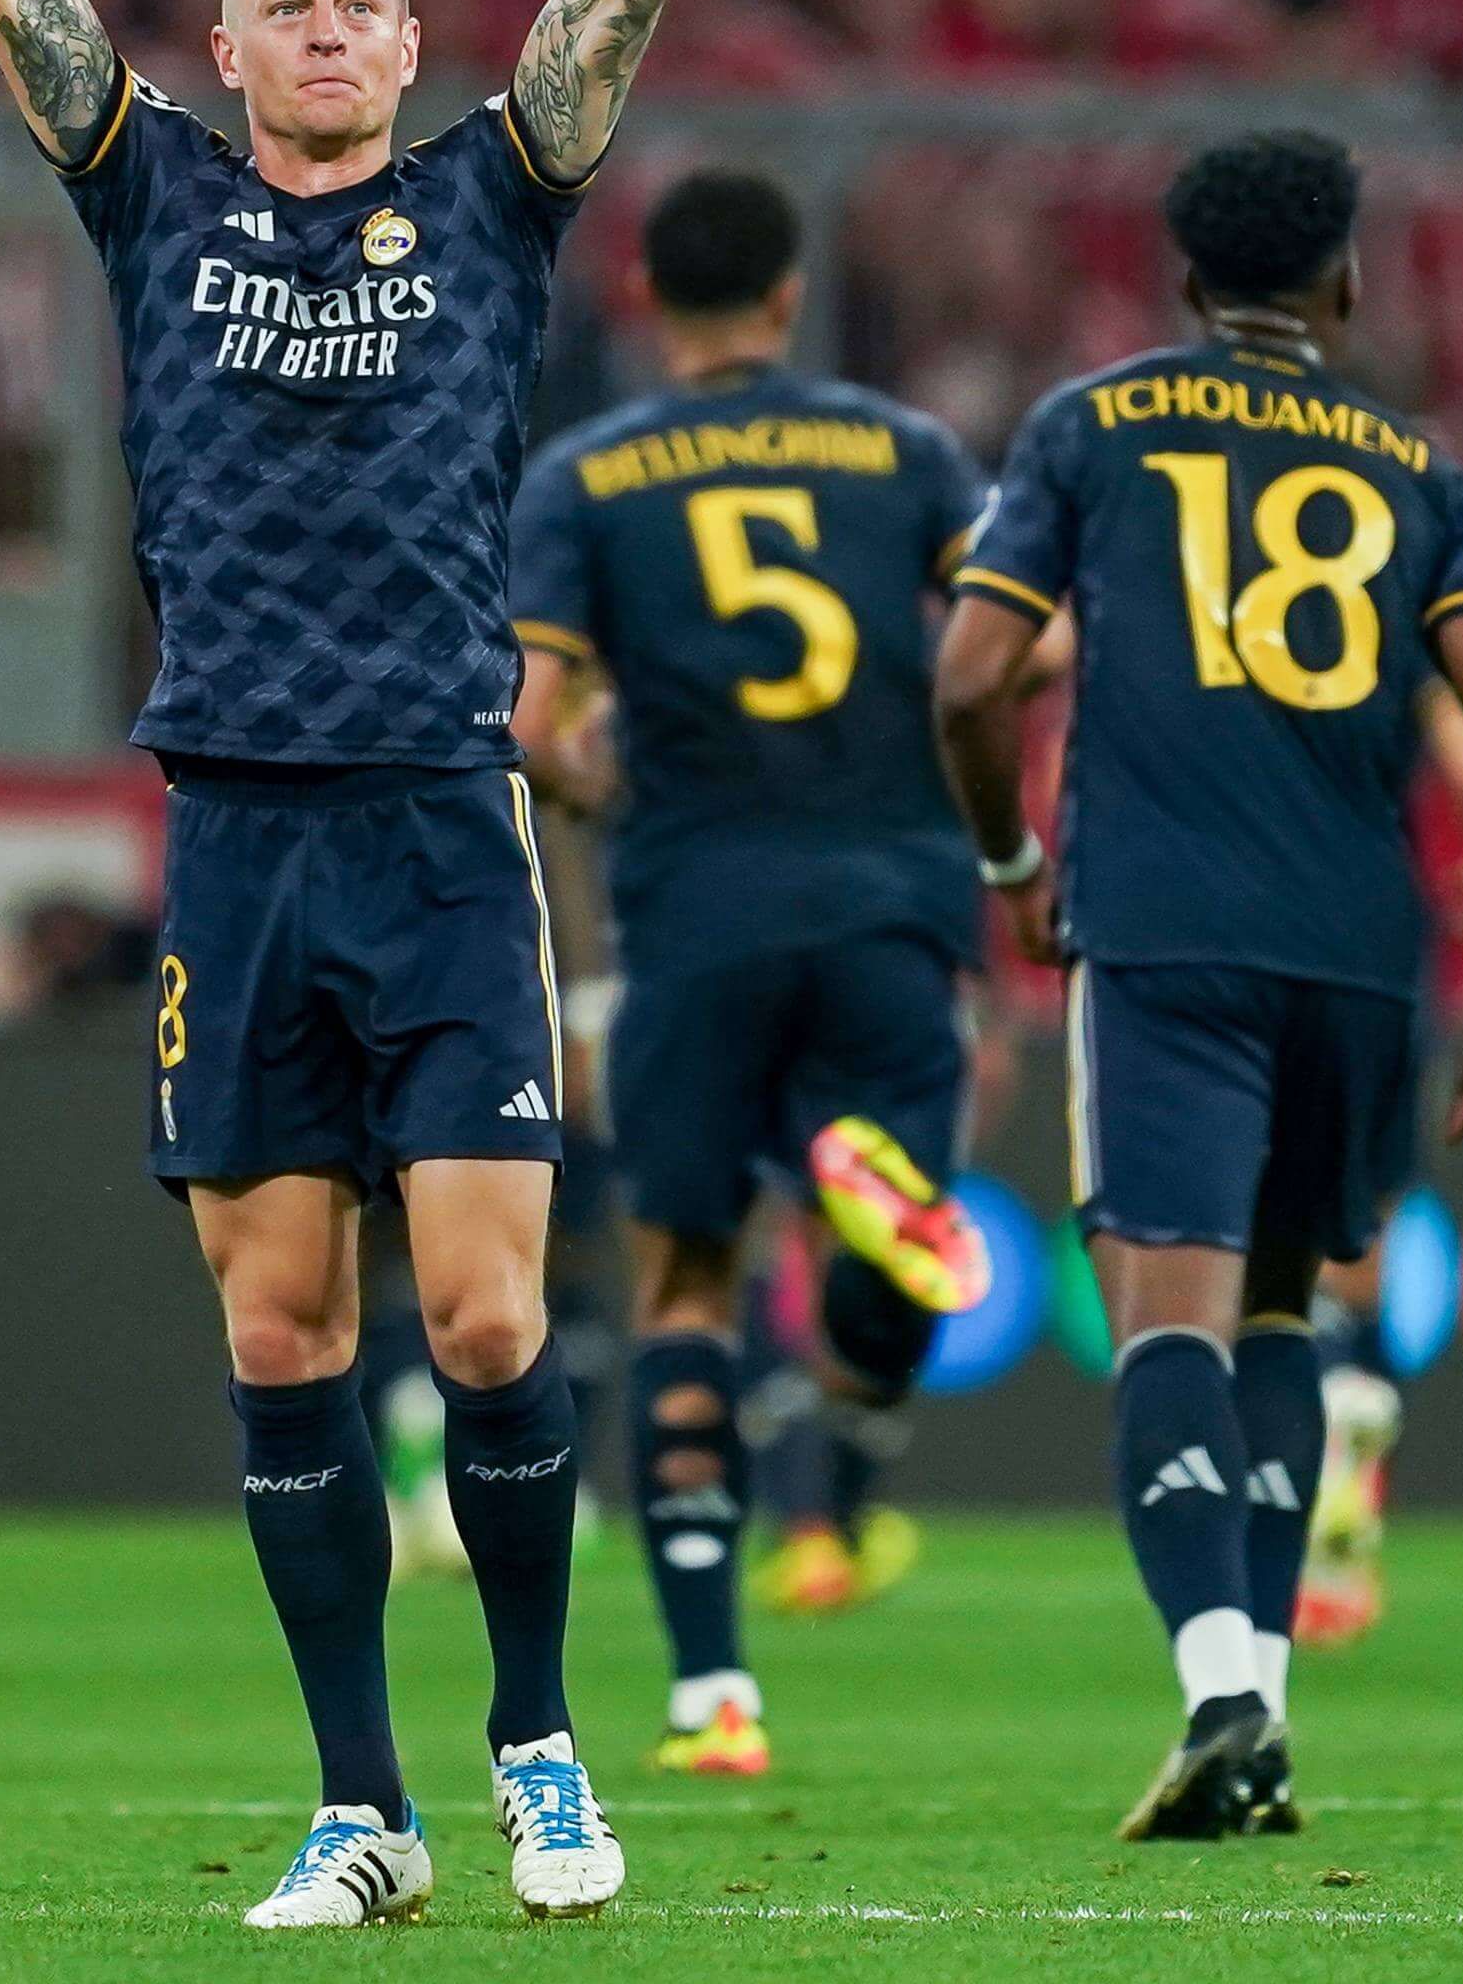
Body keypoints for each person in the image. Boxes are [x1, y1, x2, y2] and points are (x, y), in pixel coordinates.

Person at [0, 0, 676, 1926]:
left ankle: (546, 1747)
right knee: (282, 1326)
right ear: (231, 47)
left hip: (447, 823)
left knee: (478, 1310)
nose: (340, 32)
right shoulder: (151, 197)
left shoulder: (490, 202)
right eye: (299, 7)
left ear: (410, 37)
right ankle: (365, 1810)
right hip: (242, 835)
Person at [932, 129, 1463, 1843]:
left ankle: (1221, 1685)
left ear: (1187, 282)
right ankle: (1263, 1715)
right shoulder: (1424, 475)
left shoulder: (1092, 427)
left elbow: (974, 676)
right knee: (1288, 1305)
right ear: (1346, 282)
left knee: (1171, 1316)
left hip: (1165, 931)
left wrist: (1008, 864)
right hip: (1362, 952)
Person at [503, 165, 993, 1783]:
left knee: (685, 1292)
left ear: (650, 300)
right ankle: (861, 1212)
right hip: (892, 889)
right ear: (789, 296)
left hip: (699, 904)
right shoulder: (903, 450)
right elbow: (1022, 642)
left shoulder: (590, 476)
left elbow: (536, 729)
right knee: (884, 1272)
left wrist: (596, 779)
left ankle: (715, 1693)